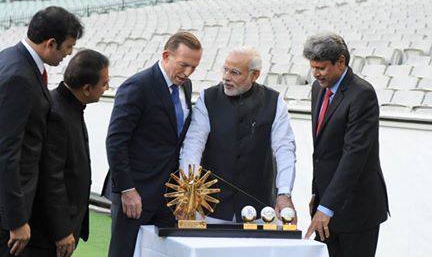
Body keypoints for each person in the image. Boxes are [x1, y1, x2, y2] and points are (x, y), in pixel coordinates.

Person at [0, 6, 83, 256]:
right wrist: (15, 220)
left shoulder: (12, 58)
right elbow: (5, 152)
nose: (69, 53)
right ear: (51, 43)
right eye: (68, 46)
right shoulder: (18, 77)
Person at [103, 31, 202, 257]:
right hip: (135, 194)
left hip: (168, 196)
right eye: (184, 65)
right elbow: (116, 141)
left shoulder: (185, 87)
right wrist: (127, 190)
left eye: (194, 67)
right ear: (166, 55)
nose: (188, 73)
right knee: (124, 253)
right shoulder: (137, 86)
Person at [179, 46, 297, 224]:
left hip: (260, 211)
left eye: (234, 72)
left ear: (254, 75)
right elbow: (193, 145)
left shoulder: (275, 101)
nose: (226, 77)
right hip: (211, 210)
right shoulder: (207, 98)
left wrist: (284, 193)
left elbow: (285, 149)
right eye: (225, 69)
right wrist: (189, 187)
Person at [303, 32, 389, 257]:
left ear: (341, 62)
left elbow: (354, 155)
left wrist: (327, 205)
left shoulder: (362, 94)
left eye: (321, 68)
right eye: (313, 68)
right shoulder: (317, 88)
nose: (316, 74)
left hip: (356, 210)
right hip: (326, 206)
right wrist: (318, 194)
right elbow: (322, 151)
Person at [24, 50, 109, 257]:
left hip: (62, 226)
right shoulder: (56, 113)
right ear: (87, 88)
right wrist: (62, 231)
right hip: (48, 233)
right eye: (104, 83)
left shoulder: (71, 106)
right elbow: (51, 178)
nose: (107, 88)